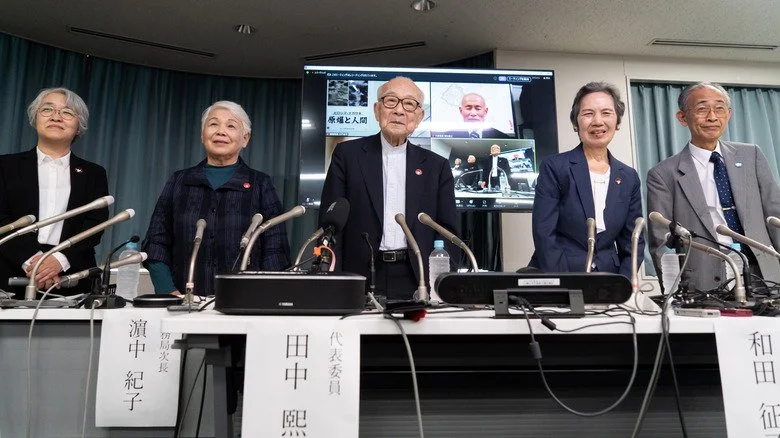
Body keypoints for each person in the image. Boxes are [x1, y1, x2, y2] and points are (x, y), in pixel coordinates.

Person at [320, 76, 458, 300]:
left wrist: (442, 286)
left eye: (409, 104)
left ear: (419, 116)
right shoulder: (347, 156)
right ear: (377, 110)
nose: (399, 111)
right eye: (391, 101)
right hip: (359, 275)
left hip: (418, 277)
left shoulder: (436, 166)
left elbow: (448, 231)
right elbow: (331, 226)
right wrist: (334, 282)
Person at [143, 100, 291, 296]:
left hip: (244, 303)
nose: (221, 131)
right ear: (202, 135)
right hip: (182, 303)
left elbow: (276, 249)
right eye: (213, 124)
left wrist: (260, 295)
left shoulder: (260, 183)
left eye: (231, 126)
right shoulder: (180, 180)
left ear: (245, 138)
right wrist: (168, 292)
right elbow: (156, 242)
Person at [647, 82, 780, 292]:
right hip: (703, 280)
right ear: (682, 118)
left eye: (719, 109)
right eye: (702, 109)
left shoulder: (750, 156)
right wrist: (674, 291)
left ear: (728, 114)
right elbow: (661, 240)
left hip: (762, 273)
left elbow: (775, 217)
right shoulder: (664, 174)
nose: (712, 117)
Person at [0, 87, 109, 295]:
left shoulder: (93, 173)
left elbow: (95, 224)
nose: (56, 117)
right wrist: (35, 262)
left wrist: (58, 261)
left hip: (70, 277)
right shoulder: (5, 166)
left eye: (67, 112)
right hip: (9, 271)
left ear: (79, 126)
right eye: (47, 109)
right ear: (35, 119)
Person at [528, 82, 644, 278]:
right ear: (575, 122)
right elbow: (544, 233)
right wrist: (564, 284)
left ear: (617, 122)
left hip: (609, 279)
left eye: (606, 113)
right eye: (588, 113)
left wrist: (622, 284)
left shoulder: (628, 176)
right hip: (558, 273)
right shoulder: (555, 167)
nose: (598, 121)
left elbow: (633, 242)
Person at [440, 93, 513, 139]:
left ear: (485, 111)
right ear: (461, 111)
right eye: (468, 108)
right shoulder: (448, 136)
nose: (473, 113)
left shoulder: (501, 137)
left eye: (478, 108)